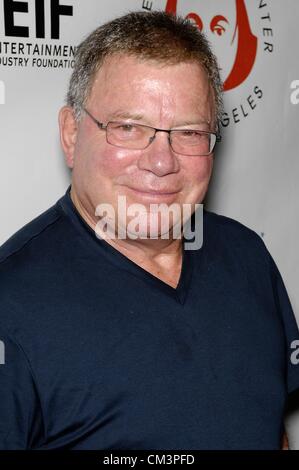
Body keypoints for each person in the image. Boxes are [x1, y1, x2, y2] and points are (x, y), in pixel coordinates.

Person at [0, 11, 298, 450]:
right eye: (128, 128)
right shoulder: (11, 303)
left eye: (190, 132)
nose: (162, 162)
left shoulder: (247, 255)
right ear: (71, 133)